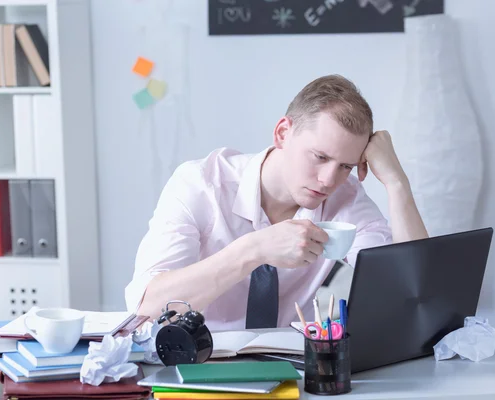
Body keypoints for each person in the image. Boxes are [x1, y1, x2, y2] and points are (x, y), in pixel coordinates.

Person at [125, 74, 428, 331]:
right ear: (283, 133)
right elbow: (146, 309)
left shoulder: (344, 195)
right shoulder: (200, 184)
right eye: (320, 157)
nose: (328, 179)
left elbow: (414, 294)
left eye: (345, 166)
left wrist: (396, 183)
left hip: (297, 373)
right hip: (202, 367)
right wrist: (255, 249)